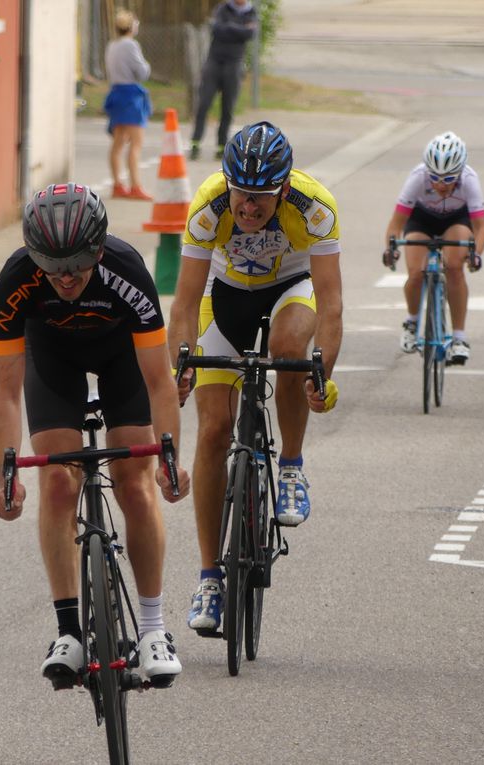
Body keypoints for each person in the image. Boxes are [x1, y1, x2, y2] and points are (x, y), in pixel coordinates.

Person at [0, 183, 191, 688]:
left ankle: (152, 630)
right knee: (57, 482)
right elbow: (7, 394)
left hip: (122, 356)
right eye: (52, 265)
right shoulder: (15, 280)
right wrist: (7, 476)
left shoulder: (126, 271)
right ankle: (69, 632)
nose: (66, 277)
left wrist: (170, 460)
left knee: (136, 482)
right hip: (52, 359)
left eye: (79, 262)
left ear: (99, 249)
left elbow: (160, 381)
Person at [167, 121, 342, 633]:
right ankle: (208, 578)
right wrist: (182, 360)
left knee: (289, 351)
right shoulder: (209, 205)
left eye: (262, 197)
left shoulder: (314, 207)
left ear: (284, 188)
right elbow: (182, 303)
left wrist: (321, 371)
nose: (248, 206)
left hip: (291, 288)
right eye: (241, 193)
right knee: (215, 432)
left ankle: (290, 467)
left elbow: (331, 306)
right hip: (222, 298)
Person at [382, 131, 484, 365]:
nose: (441, 184)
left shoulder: (470, 179)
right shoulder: (418, 177)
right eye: (435, 177)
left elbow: (480, 228)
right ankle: (411, 321)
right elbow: (396, 223)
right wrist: (391, 248)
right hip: (422, 219)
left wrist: (476, 254)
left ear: (459, 173)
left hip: (456, 221)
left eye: (449, 179)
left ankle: (459, 337)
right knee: (416, 273)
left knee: (454, 267)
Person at [188, 0, 257, 162]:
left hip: (234, 64)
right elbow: (217, 29)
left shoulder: (250, 12)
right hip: (215, 62)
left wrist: (231, 28)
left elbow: (250, 34)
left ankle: (221, 147)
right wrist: (239, 29)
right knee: (204, 104)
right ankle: (195, 143)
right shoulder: (223, 9)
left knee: (227, 108)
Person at [103, 8, 152, 201]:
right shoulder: (131, 45)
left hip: (116, 94)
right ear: (131, 27)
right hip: (131, 96)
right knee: (136, 143)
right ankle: (135, 185)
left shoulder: (112, 45)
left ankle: (117, 184)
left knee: (118, 143)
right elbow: (142, 71)